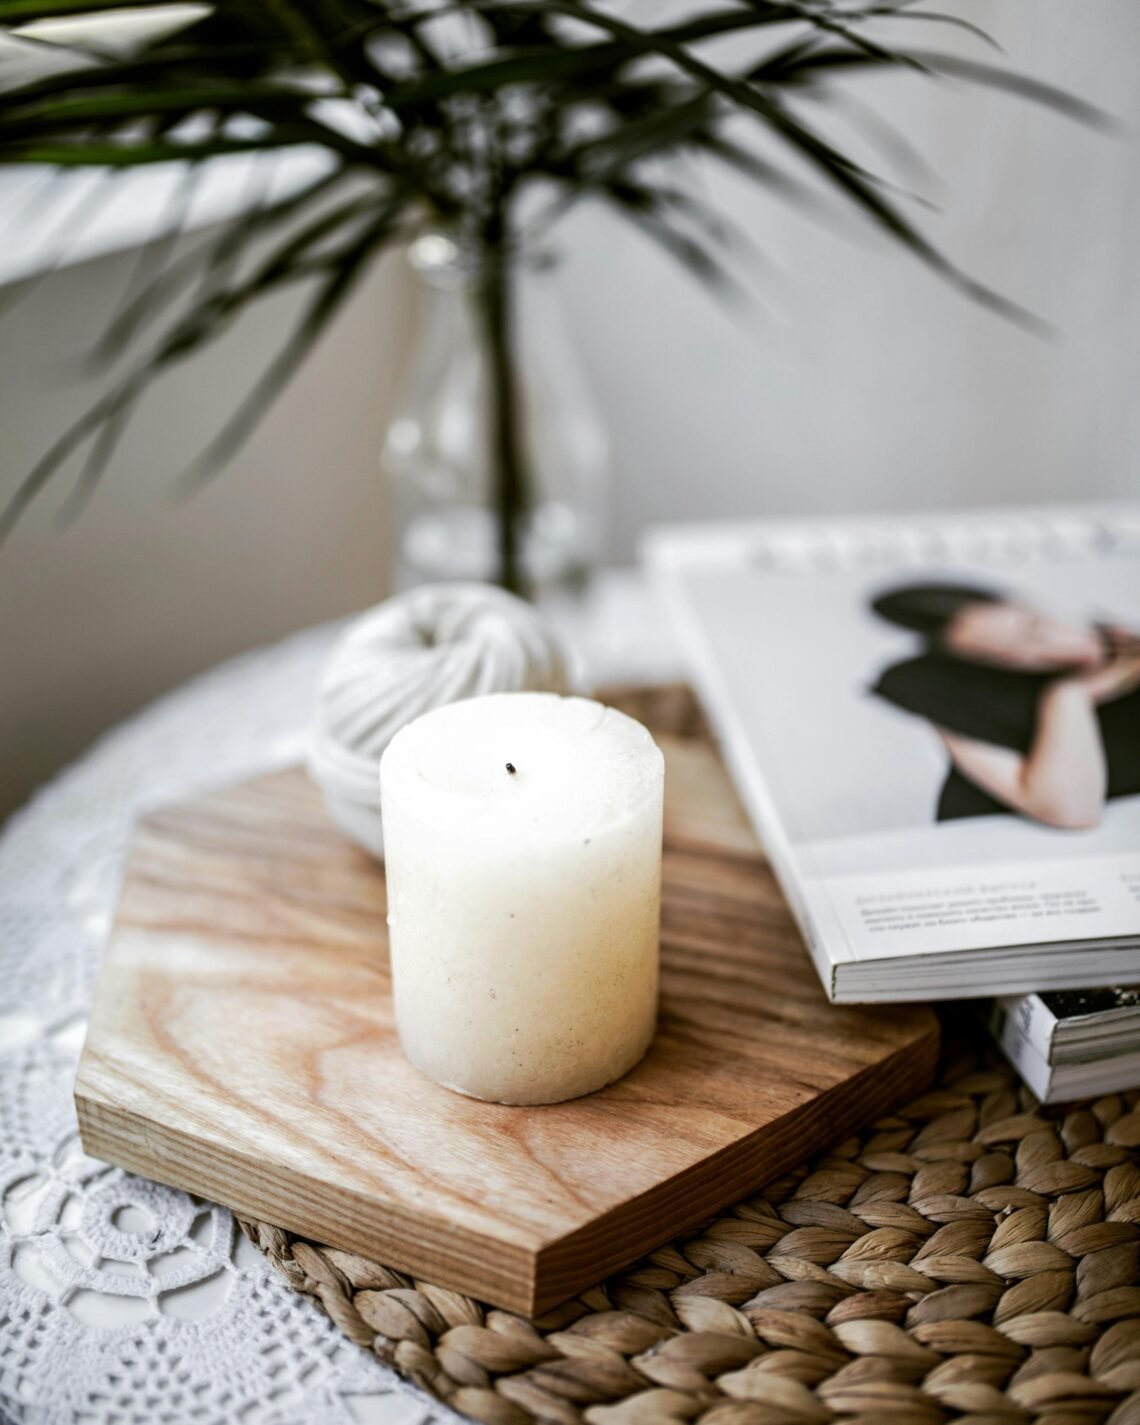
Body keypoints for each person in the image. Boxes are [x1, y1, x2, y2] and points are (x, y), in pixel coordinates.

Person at [870, 582, 1140, 828]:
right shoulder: (959, 698)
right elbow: (1072, 812)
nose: (1049, 650)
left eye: (1036, 628)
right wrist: (1068, 698)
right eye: (1010, 660)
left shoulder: (1124, 643)